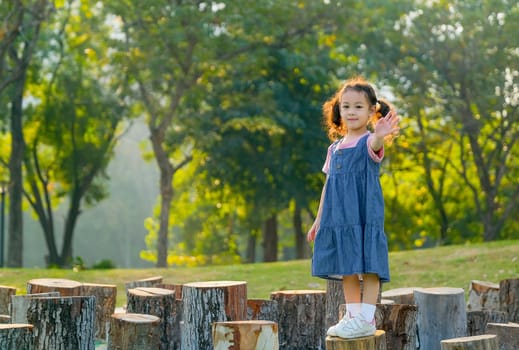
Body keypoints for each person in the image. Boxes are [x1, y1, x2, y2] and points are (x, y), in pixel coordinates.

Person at [307, 77, 400, 339]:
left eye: (358, 107)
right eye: (346, 106)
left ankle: (366, 318)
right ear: (339, 110)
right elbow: (328, 185)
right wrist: (318, 220)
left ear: (372, 111)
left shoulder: (369, 141)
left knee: (368, 265)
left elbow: (375, 147)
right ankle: (352, 314)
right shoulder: (334, 148)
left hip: (363, 214)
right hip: (338, 217)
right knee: (348, 265)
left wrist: (380, 136)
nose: (351, 112)